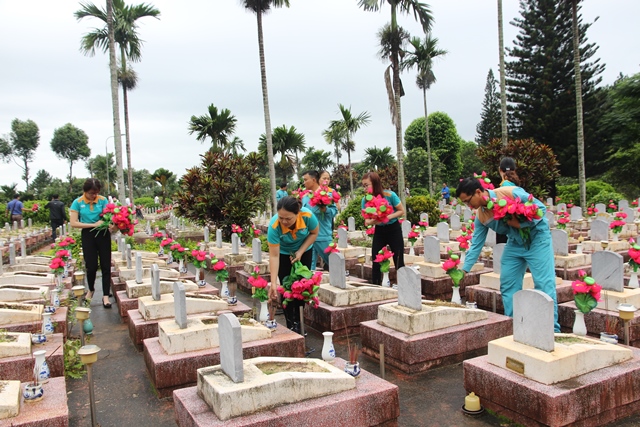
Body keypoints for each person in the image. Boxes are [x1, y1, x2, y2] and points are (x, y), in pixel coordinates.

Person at [455, 177, 560, 332]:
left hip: (537, 239)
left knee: (544, 284)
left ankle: (552, 330)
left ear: (478, 192)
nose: (468, 206)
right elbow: (476, 243)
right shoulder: (481, 216)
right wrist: (464, 270)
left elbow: (541, 208)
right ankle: (514, 326)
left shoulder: (509, 192)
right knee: (508, 284)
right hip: (515, 243)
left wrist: (521, 223)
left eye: (468, 201)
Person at [267, 196, 319, 334]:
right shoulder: (274, 226)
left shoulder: (308, 216)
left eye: (288, 218)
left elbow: (314, 233)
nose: (284, 222)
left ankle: (300, 321)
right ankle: (291, 324)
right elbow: (274, 256)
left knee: (302, 286)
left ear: (297, 213)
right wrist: (273, 283)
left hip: (304, 250)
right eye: (281, 218)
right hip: (283, 253)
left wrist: (300, 252)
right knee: (287, 287)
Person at [69, 178, 115, 308]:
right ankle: (91, 289)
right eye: (91, 193)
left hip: (103, 234)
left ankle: (105, 295)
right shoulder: (77, 202)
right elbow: (73, 223)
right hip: (88, 234)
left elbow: (108, 217)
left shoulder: (103, 200)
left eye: (96, 193)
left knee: (106, 264)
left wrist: (110, 224)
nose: (93, 195)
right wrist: (93, 225)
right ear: (85, 191)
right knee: (91, 265)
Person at [361, 172, 405, 286]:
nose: (365, 188)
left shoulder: (390, 195)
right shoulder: (365, 200)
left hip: (393, 229)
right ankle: (376, 284)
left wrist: (387, 217)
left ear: (375, 183)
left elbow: (401, 211)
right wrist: (376, 221)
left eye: (367, 185)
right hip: (379, 231)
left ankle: (403, 286)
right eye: (363, 186)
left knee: (398, 258)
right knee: (376, 258)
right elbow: (366, 221)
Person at [302, 170, 337, 271]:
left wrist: (325, 210)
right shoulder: (305, 197)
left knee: (334, 262)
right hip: (308, 237)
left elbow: (334, 211)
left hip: (322, 235)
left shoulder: (327, 195)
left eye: (306, 180)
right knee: (309, 267)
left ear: (313, 180)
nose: (304, 183)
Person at [496, 157, 520, 244]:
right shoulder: (515, 185)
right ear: (515, 170)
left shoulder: (504, 185)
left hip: (505, 223)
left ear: (500, 170)